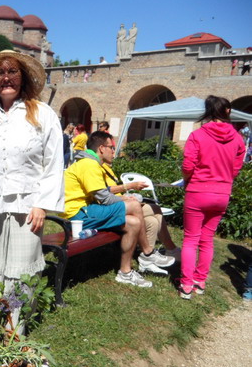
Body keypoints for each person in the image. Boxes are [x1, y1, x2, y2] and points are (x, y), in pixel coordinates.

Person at [0, 50, 64, 328]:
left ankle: (15, 328)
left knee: (22, 268)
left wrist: (42, 205)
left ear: (22, 77)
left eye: (12, 71)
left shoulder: (43, 114)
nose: (6, 78)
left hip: (28, 206)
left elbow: (54, 162)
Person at [62, 131, 175, 287]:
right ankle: (147, 253)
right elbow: (105, 198)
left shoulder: (90, 163)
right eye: (111, 148)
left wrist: (125, 197)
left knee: (134, 223)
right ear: (101, 148)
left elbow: (102, 192)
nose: (113, 152)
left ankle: (125, 272)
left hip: (86, 211)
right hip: (78, 215)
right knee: (134, 205)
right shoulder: (89, 164)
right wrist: (126, 199)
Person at [179, 96, 245, 299]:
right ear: (227, 111)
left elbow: (188, 166)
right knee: (207, 239)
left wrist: (186, 179)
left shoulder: (197, 135)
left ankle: (186, 285)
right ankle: (200, 281)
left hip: (198, 191)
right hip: (222, 193)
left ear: (208, 111)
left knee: (191, 239)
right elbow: (236, 168)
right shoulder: (238, 138)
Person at [101, 161, 182, 270]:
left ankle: (148, 259)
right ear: (101, 151)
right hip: (114, 208)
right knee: (155, 209)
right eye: (111, 151)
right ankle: (169, 249)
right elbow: (103, 192)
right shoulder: (94, 167)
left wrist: (126, 196)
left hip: (120, 203)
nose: (113, 153)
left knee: (153, 220)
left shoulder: (106, 168)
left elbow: (111, 192)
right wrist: (128, 188)